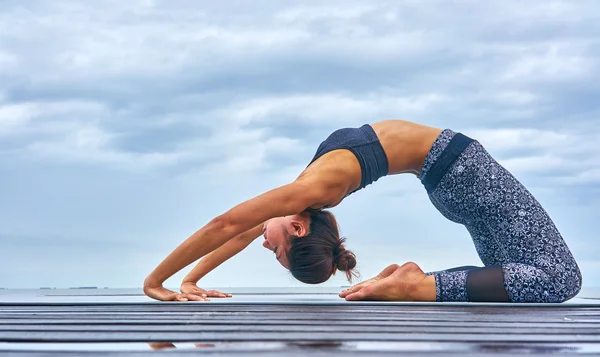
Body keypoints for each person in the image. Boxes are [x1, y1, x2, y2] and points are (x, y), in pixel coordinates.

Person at [143, 120, 582, 303]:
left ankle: (415, 285)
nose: (264, 242)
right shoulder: (305, 198)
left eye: (273, 250)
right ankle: (415, 284)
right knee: (540, 277)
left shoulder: (312, 190)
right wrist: (191, 280)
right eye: (272, 250)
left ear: (297, 226)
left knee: (549, 279)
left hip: (461, 175)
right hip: (459, 175)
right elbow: (235, 231)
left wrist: (155, 282)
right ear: (299, 228)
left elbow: (227, 224)